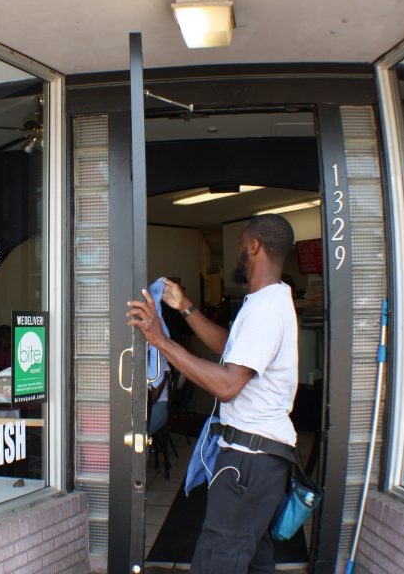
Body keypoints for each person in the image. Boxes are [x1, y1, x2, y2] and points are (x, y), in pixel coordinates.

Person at [128, 214, 298, 573]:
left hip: (248, 462)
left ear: (254, 246)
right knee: (252, 560)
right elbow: (230, 349)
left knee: (218, 560)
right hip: (259, 460)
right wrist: (185, 307)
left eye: (240, 244)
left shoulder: (266, 309)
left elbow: (227, 384)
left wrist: (160, 340)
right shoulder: (264, 302)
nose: (238, 252)